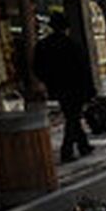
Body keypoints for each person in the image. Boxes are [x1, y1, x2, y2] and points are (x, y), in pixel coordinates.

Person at [33, 10, 95, 163]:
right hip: (75, 87)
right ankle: (66, 151)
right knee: (73, 117)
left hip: (57, 87)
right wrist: (90, 89)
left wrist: (48, 80)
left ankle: (83, 145)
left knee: (71, 114)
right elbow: (83, 68)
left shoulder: (43, 46)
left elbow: (36, 67)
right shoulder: (72, 45)